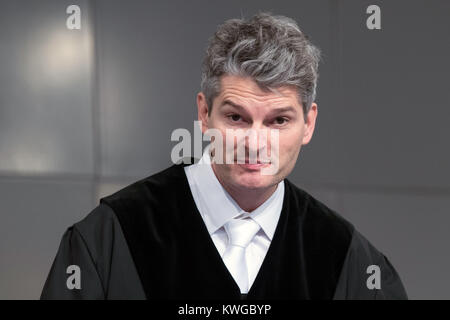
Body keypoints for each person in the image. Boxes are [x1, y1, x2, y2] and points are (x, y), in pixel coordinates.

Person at [41, 12, 407, 300]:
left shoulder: (350, 262)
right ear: (204, 113)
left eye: (279, 120)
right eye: (236, 117)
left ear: (308, 124)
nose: (255, 143)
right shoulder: (108, 240)